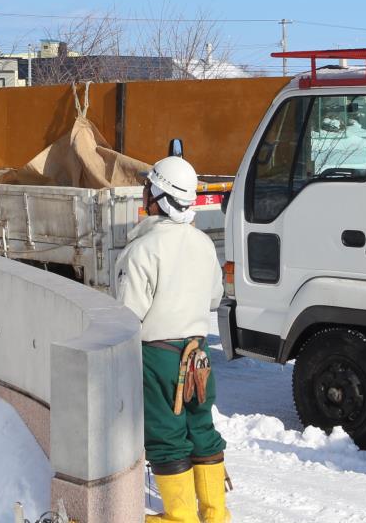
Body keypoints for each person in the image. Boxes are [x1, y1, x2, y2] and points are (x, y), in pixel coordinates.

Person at [115, 155, 231, 523]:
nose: (144, 193)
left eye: (149, 187)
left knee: (167, 436)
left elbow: (127, 314)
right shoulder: (203, 244)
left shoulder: (142, 250)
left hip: (158, 358)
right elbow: (213, 297)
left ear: (159, 196)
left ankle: (180, 517)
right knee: (201, 427)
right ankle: (215, 514)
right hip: (199, 356)